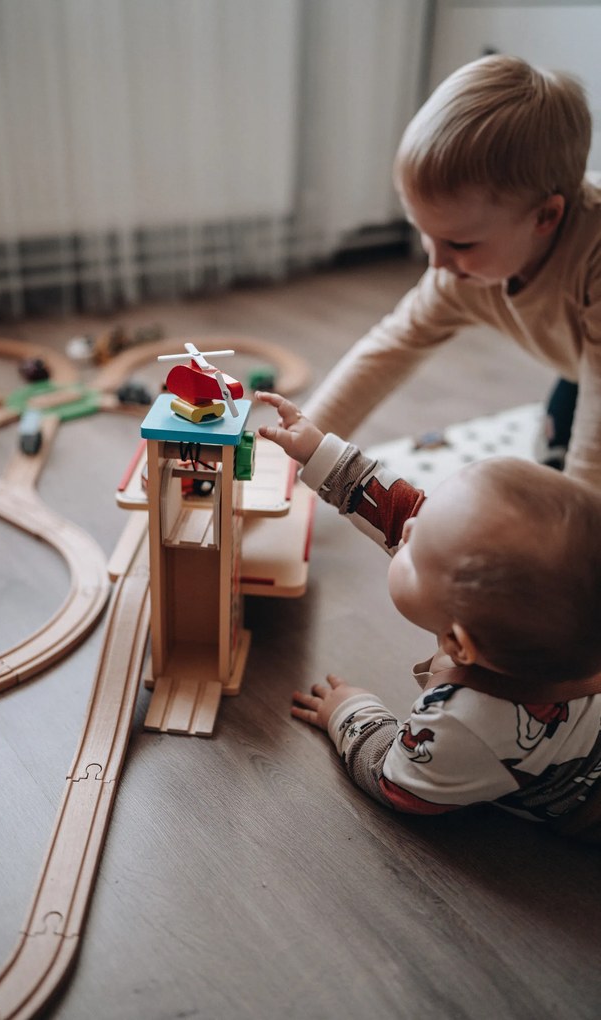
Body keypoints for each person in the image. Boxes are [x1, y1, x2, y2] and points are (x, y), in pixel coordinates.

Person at [256, 390, 601, 841]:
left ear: (459, 645)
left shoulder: (465, 722)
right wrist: (321, 452)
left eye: (416, 553)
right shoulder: (563, 611)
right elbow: (408, 515)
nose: (412, 528)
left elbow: (397, 781)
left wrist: (351, 712)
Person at [302, 54, 601, 488]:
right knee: (550, 466)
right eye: (423, 233)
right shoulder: (458, 273)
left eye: (458, 244)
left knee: (574, 502)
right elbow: (388, 350)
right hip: (583, 364)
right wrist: (301, 447)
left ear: (544, 218)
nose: (436, 262)